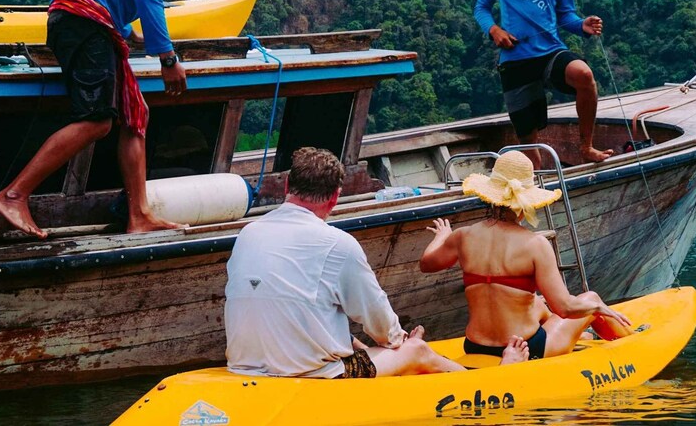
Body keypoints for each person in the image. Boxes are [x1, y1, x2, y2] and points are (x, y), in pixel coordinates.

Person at [0, 0, 227, 239]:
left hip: (86, 18)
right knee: (97, 121)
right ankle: (13, 195)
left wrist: (131, 35)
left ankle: (139, 214)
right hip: (83, 18)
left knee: (135, 114)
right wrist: (167, 58)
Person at [224, 147, 526, 378]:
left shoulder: (247, 234)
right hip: (313, 376)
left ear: (287, 184)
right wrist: (401, 343)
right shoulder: (337, 244)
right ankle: (500, 377)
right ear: (335, 198)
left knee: (349, 336)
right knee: (416, 350)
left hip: (244, 368)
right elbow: (378, 320)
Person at [419, 150, 633, 362]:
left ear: (491, 198)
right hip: (527, 348)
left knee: (537, 303)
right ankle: (634, 344)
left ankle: (582, 337)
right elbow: (565, 307)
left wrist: (442, 236)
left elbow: (426, 264)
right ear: (526, 204)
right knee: (591, 298)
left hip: (475, 345)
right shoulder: (535, 244)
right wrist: (597, 307)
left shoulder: (463, 236)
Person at [473, 0, 611, 168]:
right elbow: (481, 7)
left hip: (549, 52)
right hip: (515, 60)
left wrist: (582, 25)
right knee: (531, 156)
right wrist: (494, 30)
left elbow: (565, 15)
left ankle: (586, 147)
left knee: (584, 76)